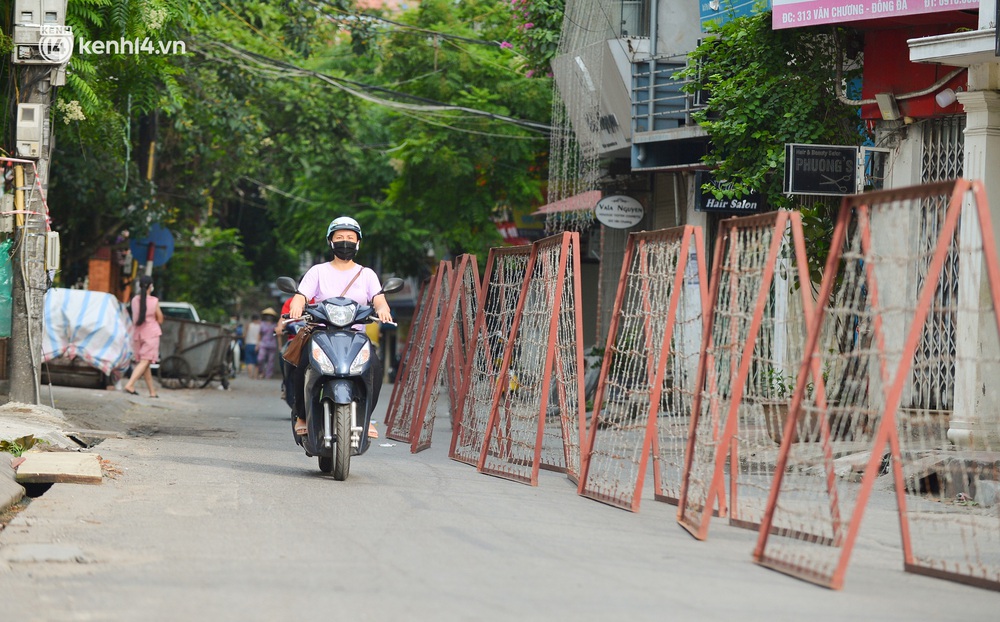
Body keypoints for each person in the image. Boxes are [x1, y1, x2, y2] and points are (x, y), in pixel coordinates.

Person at [287, 216, 392, 439]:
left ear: (358, 242)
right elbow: (301, 295)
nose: (345, 242)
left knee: (374, 367)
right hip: (322, 333)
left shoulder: (367, 274)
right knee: (302, 366)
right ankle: (302, 416)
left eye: (350, 238)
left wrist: (383, 309)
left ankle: (367, 417)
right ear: (331, 242)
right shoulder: (317, 271)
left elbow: (379, 298)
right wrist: (297, 306)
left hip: (355, 336)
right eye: (340, 237)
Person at [123, 275, 164, 397]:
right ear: (151, 286)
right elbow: (160, 319)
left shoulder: (135, 300)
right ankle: (130, 384)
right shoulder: (154, 301)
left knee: (144, 363)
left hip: (138, 334)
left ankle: (152, 392)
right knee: (145, 361)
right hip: (151, 334)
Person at [257, 308, 279, 380]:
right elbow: (259, 334)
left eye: (270, 315)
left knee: (270, 361)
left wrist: (280, 345)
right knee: (260, 358)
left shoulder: (275, 325)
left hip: (272, 344)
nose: (269, 317)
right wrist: (257, 344)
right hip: (263, 343)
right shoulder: (262, 324)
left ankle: (268, 375)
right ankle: (261, 372)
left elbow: (278, 336)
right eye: (267, 315)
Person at [244, 314, 261, 380]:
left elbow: (245, 334)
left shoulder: (248, 325)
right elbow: (259, 337)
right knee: (256, 361)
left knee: (249, 361)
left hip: (248, 344)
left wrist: (245, 342)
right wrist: (258, 344)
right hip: (257, 345)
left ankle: (250, 375)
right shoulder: (260, 327)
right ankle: (255, 376)